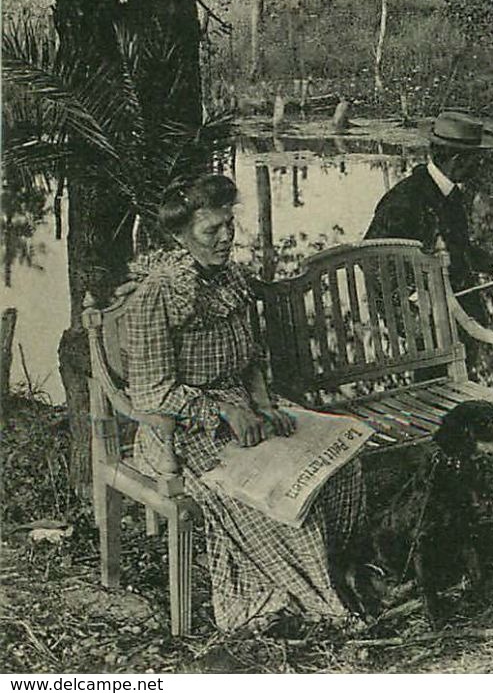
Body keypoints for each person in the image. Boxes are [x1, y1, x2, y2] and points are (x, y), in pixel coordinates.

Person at [124, 174, 366, 631]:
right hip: (175, 429)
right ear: (180, 234)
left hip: (242, 408)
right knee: (272, 496)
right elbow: (151, 393)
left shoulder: (231, 276)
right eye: (210, 231)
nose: (225, 238)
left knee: (340, 465)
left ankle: (338, 573)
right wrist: (222, 412)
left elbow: (249, 358)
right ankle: (296, 599)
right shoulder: (157, 293)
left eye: (229, 225)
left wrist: (262, 402)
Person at [365, 111, 493, 304]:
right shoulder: (404, 199)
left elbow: (458, 248)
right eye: (476, 159)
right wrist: (412, 294)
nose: (480, 165)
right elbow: (370, 258)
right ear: (457, 161)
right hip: (418, 319)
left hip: (451, 306)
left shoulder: (448, 192)